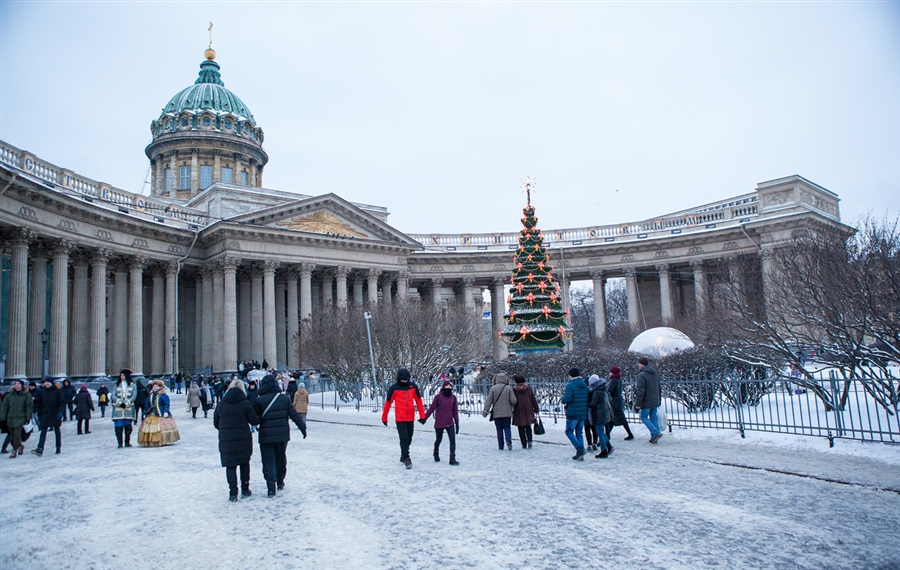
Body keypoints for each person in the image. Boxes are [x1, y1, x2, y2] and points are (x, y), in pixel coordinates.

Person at [253, 374, 306, 497]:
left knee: (268, 461)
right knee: (280, 459)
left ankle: (271, 487)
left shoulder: (259, 401)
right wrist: (303, 428)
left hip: (266, 436)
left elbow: (255, 420)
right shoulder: (284, 399)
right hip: (282, 436)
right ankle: (280, 481)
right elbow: (294, 415)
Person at [214, 379, 260, 502]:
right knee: (244, 464)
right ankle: (245, 489)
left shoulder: (221, 404)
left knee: (230, 466)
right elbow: (254, 421)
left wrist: (225, 429)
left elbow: (216, 422)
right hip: (243, 439)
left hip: (226, 440)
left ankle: (233, 493)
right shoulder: (245, 403)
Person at [381, 368, 426, 469]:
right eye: (403, 380)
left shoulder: (413, 387)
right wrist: (384, 417)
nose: (405, 381)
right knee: (404, 438)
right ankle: (406, 458)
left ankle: (403, 455)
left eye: (406, 379)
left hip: (410, 417)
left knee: (409, 438)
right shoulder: (394, 388)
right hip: (400, 418)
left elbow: (419, 401)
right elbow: (388, 403)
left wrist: (422, 415)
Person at [423, 379, 460, 465]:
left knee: (452, 440)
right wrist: (424, 418)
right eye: (447, 386)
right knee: (439, 439)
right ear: (443, 387)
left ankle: (452, 458)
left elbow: (455, 411)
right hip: (440, 422)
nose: (449, 387)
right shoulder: (438, 397)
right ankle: (436, 452)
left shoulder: (453, 398)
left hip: (450, 422)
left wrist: (457, 422)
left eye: (450, 386)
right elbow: (432, 408)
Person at [138, 379, 180, 447]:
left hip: (161, 414)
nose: (155, 387)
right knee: (149, 427)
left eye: (156, 386)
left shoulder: (163, 395)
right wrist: (145, 412)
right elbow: (147, 404)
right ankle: (151, 441)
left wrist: (166, 411)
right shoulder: (151, 395)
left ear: (160, 387)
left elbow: (166, 404)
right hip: (151, 414)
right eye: (154, 386)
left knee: (162, 428)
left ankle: (162, 440)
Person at [482, 372, 517, 451]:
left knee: (499, 429)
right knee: (507, 427)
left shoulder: (493, 388)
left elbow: (489, 401)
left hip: (497, 413)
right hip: (507, 413)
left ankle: (501, 445)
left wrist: (485, 411)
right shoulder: (508, 388)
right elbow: (513, 401)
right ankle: (508, 441)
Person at [561, 367, 589, 460]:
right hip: (582, 412)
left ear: (571, 375)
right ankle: (580, 455)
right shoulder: (584, 385)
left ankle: (580, 448)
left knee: (569, 431)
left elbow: (567, 399)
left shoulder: (570, 385)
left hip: (573, 412)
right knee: (579, 433)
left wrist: (563, 398)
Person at [0, 379, 33, 458]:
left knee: (17, 434)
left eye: (18, 383)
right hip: (10, 418)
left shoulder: (26, 395)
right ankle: (20, 446)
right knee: (12, 435)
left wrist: (28, 418)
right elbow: (4, 407)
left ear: (21, 385)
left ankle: (14, 451)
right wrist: (3, 418)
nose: (16, 385)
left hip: (21, 418)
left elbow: (29, 407)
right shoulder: (9, 395)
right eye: (15, 383)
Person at [32, 378, 64, 456]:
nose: (46, 383)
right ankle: (40, 449)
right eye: (45, 382)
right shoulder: (43, 392)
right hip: (45, 414)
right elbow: (40, 404)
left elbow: (62, 403)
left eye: (48, 382)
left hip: (55, 414)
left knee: (57, 430)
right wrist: (39, 414)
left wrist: (60, 412)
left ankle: (58, 447)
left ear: (51, 383)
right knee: (43, 431)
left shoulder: (58, 391)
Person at [635, 356, 663, 443]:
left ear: (641, 364)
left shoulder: (641, 375)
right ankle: (654, 437)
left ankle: (655, 432)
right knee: (653, 417)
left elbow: (640, 390)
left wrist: (638, 403)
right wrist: (659, 400)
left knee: (644, 417)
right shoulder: (655, 374)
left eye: (639, 364)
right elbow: (659, 387)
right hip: (655, 400)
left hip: (646, 400)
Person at [605, 366, 634, 441]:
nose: (609, 373)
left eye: (611, 372)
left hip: (614, 401)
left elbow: (609, 390)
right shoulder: (618, 379)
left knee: (613, 418)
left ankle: (606, 437)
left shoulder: (613, 380)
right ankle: (629, 434)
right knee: (618, 418)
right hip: (618, 400)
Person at [511, 374, 539, 449]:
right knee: (528, 426)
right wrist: (536, 408)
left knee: (520, 428)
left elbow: (512, 400)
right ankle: (529, 441)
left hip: (518, 410)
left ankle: (524, 443)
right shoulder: (528, 388)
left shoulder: (514, 390)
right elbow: (533, 399)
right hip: (528, 409)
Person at [111, 369, 138, 448]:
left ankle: (127, 442)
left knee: (128, 427)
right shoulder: (117, 385)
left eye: (123, 375)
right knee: (118, 427)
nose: (121, 377)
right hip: (118, 408)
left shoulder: (133, 385)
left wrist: (127, 402)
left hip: (128, 409)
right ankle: (120, 443)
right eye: (121, 375)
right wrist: (119, 402)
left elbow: (134, 395)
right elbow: (113, 395)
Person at [587, 375, 612, 458]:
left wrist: (586, 402)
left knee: (600, 432)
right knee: (601, 432)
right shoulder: (602, 389)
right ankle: (609, 446)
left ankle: (604, 450)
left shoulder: (596, 392)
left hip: (598, 414)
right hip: (604, 413)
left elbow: (592, 404)